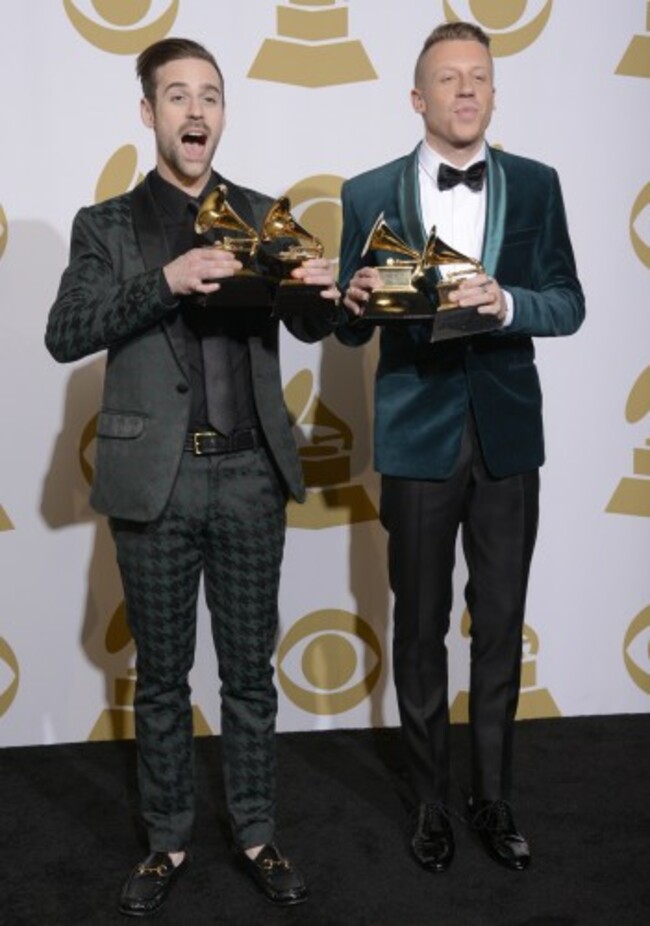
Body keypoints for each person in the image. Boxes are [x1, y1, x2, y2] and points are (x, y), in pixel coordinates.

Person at [46, 37, 344, 917]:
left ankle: (255, 832)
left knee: (251, 673)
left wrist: (321, 296)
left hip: (252, 479)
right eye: (176, 96)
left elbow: (310, 327)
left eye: (209, 96)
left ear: (222, 114)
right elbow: (67, 332)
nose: (195, 111)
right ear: (149, 113)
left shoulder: (263, 211)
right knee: (165, 677)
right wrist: (167, 280)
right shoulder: (105, 225)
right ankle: (167, 839)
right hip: (155, 484)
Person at [337, 21, 584, 874]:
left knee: (501, 626)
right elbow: (342, 314)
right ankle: (430, 804)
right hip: (415, 435)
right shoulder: (365, 190)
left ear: (492, 91)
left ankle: (494, 797)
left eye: (479, 76)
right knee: (419, 628)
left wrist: (508, 303)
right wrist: (356, 300)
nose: (466, 90)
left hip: (508, 435)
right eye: (449, 79)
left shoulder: (539, 185)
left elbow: (569, 301)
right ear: (419, 98)